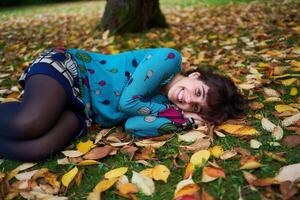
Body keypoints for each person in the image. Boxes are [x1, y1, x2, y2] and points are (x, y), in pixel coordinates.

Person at [0, 47, 247, 161]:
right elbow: (128, 103)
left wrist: (183, 121)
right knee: (28, 123)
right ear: (196, 77)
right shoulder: (169, 59)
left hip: (84, 113)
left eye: (196, 108)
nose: (188, 100)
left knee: (36, 150)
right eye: (199, 93)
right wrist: (173, 113)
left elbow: (133, 125)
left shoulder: (169, 108)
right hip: (71, 70)